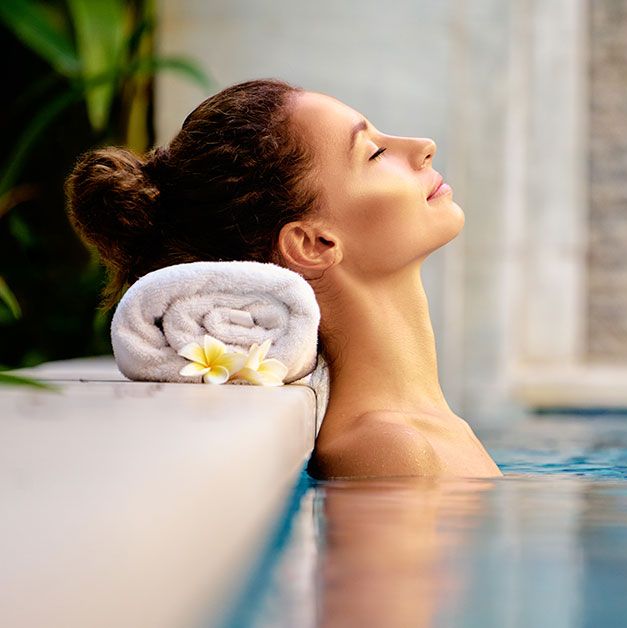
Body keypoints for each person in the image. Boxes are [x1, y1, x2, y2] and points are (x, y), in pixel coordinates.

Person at [65, 78, 502, 479]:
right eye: (374, 153)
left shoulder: (431, 432)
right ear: (314, 244)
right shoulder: (387, 449)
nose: (423, 146)